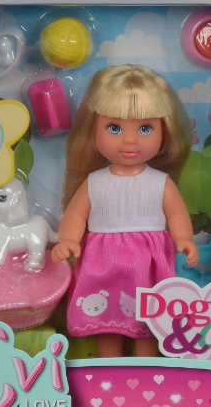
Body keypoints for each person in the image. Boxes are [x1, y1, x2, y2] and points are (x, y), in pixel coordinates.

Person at [52, 64, 198, 357]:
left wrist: (184, 239)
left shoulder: (160, 182)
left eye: (145, 128)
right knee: (105, 317)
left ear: (164, 130)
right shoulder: (95, 182)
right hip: (103, 260)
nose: (130, 140)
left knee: (150, 318)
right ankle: (109, 364)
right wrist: (67, 240)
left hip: (149, 262)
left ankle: (147, 364)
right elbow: (76, 215)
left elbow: (177, 215)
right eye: (114, 128)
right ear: (93, 129)